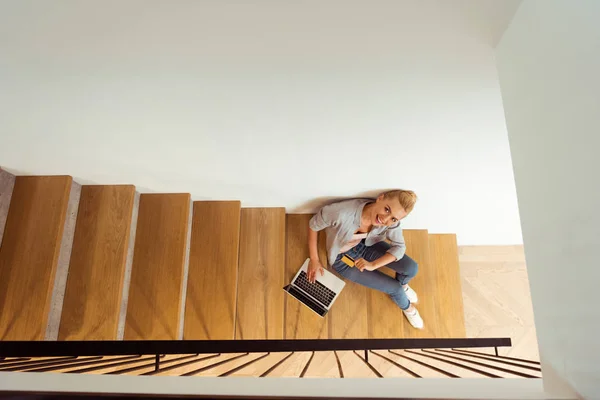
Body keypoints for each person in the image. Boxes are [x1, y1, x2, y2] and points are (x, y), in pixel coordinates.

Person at [306, 190, 423, 329]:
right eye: (387, 209)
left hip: (368, 245)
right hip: (343, 258)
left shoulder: (390, 222)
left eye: (393, 219)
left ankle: (404, 285)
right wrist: (314, 259)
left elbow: (399, 247)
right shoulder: (340, 213)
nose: (386, 219)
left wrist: (374, 265)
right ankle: (409, 309)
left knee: (411, 269)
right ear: (380, 198)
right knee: (395, 289)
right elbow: (313, 225)